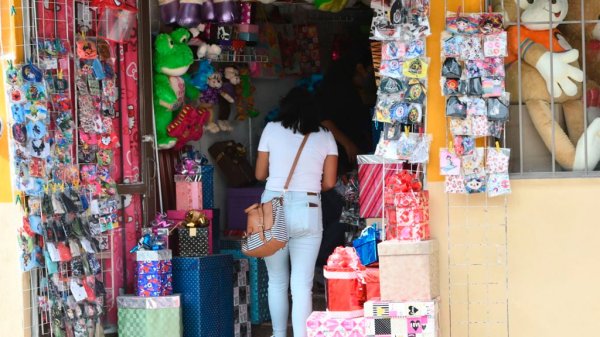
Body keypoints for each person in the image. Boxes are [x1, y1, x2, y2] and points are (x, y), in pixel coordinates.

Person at [255, 87, 338, 337]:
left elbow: (259, 174)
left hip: (273, 208)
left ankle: (279, 334)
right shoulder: (325, 135)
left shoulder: (271, 129)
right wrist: (309, 186)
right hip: (309, 209)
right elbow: (330, 183)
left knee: (277, 281)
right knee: (301, 285)